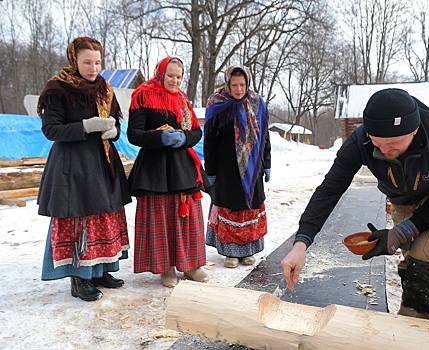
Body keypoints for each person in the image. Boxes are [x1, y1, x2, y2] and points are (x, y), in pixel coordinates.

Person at [281, 88, 429, 321]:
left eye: (392, 143)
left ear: (414, 129)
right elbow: (330, 189)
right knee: (411, 254)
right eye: (376, 143)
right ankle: (413, 304)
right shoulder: (361, 140)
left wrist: (400, 232)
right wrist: (301, 244)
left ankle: (417, 329)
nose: (383, 150)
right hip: (402, 198)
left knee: (423, 256)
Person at [37, 37, 132, 302]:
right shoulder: (58, 89)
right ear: (73, 60)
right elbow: (50, 129)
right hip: (73, 167)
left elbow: (114, 123)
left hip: (102, 165)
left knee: (103, 218)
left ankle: (101, 270)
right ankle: (79, 279)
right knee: (79, 220)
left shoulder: (105, 89)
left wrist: (113, 132)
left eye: (97, 62)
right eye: (87, 62)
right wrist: (84, 127)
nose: (93, 68)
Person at [127, 56, 208, 287]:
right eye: (170, 75)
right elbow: (134, 134)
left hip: (182, 166)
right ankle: (166, 267)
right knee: (161, 218)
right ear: (160, 73)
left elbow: (196, 132)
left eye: (179, 77)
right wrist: (159, 136)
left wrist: (184, 137)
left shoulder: (183, 99)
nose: (174, 80)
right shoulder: (143, 95)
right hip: (155, 168)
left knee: (187, 216)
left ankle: (191, 264)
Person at [204, 65, 271, 268]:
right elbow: (209, 140)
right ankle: (230, 252)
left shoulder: (257, 103)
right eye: (234, 84)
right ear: (228, 83)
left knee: (250, 208)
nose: (238, 89)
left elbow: (264, 136)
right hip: (226, 169)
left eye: (242, 84)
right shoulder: (217, 104)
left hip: (252, 169)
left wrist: (266, 164)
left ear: (247, 83)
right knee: (229, 208)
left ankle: (249, 250)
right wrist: (211, 170)